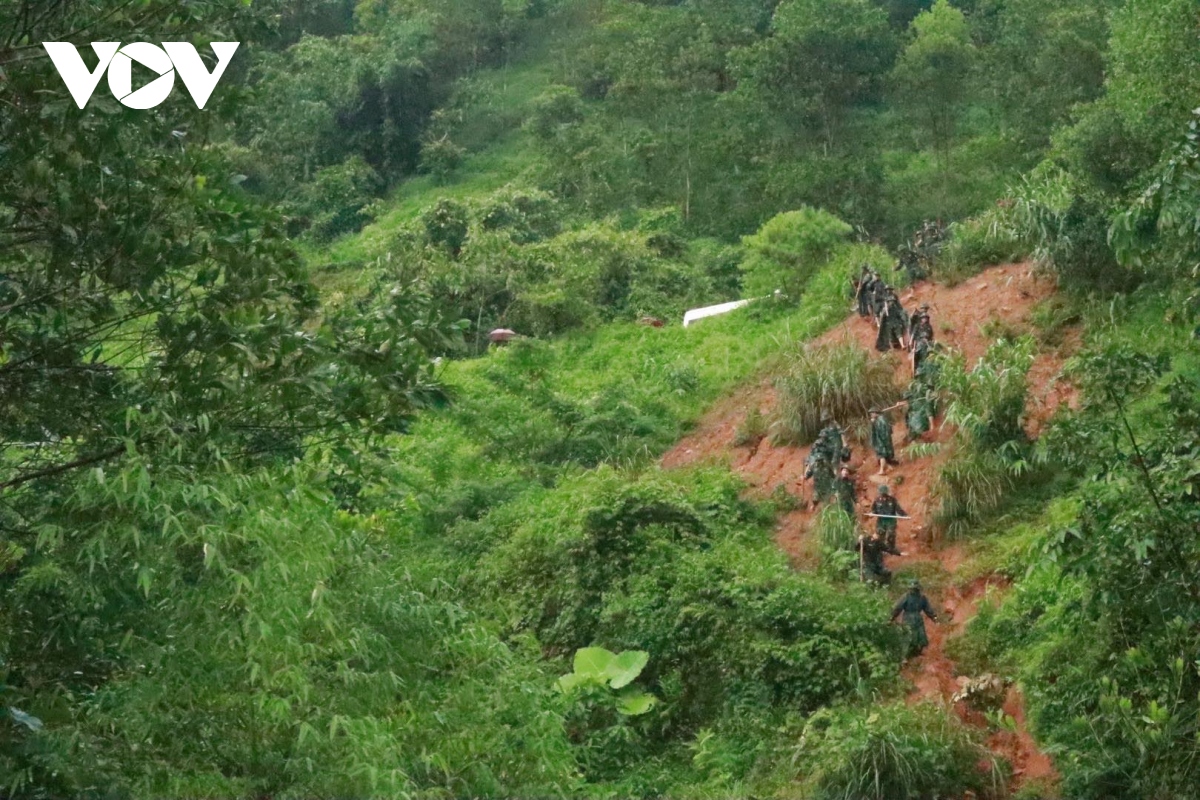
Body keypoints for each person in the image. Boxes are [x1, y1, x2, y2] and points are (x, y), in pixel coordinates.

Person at [891, 580, 939, 658]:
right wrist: (891, 618)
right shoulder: (905, 597)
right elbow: (897, 608)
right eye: (912, 588)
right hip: (908, 618)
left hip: (918, 618)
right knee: (907, 637)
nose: (913, 590)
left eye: (914, 588)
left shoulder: (922, 597)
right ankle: (904, 657)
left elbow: (928, 609)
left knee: (921, 636)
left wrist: (934, 618)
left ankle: (917, 652)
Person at [871, 484, 907, 552]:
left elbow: (898, 509)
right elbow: (874, 509)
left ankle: (891, 548)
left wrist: (904, 515)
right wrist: (872, 513)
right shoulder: (877, 500)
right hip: (881, 520)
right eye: (882, 493)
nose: (883, 495)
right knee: (880, 533)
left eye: (884, 493)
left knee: (891, 534)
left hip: (891, 520)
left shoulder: (892, 500)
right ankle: (881, 548)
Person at [869, 408, 898, 475]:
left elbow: (880, 433)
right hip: (884, 441)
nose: (871, 415)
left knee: (881, 455)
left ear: (875, 413)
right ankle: (889, 467)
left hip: (881, 441)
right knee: (883, 455)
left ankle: (882, 470)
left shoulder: (879, 421)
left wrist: (873, 423)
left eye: (872, 413)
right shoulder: (882, 419)